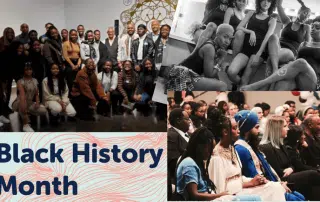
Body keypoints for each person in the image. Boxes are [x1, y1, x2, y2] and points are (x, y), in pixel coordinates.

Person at [207, 110, 282, 201]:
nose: (239, 131)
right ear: (225, 132)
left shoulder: (232, 149)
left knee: (275, 187)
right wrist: (249, 183)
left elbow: (238, 177)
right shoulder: (216, 157)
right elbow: (220, 190)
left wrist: (254, 180)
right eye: (235, 128)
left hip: (240, 190)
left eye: (238, 127)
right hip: (230, 197)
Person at [234, 111, 306, 201]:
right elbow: (255, 177)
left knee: (299, 196)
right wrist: (278, 185)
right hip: (260, 189)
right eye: (256, 127)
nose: (259, 130)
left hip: (271, 184)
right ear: (247, 129)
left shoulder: (250, 145)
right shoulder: (242, 149)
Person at [176, 126, 260, 201]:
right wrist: (220, 195)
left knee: (256, 197)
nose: (210, 152)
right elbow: (194, 195)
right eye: (209, 148)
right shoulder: (189, 164)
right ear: (199, 146)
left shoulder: (198, 162)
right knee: (254, 199)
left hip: (212, 197)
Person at [240, 17, 320, 91]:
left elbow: (300, 62)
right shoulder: (303, 44)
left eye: (317, 27)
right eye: (312, 26)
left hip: (312, 79)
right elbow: (297, 59)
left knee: (301, 62)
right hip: (298, 75)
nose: (313, 29)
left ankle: (259, 84)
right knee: (281, 83)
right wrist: (290, 64)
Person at [259, 116, 320, 200]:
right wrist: (291, 168)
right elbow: (276, 172)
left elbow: (292, 164)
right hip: (281, 180)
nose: (287, 129)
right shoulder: (266, 148)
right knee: (313, 174)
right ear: (276, 129)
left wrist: (291, 168)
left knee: (314, 181)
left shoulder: (281, 145)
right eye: (284, 126)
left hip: (290, 175)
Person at [165, 24, 233, 91]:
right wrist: (221, 59)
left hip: (185, 74)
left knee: (219, 84)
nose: (227, 42)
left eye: (230, 39)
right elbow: (209, 75)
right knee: (222, 86)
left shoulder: (213, 47)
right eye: (225, 37)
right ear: (217, 34)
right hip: (182, 77)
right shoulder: (210, 48)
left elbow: (212, 74)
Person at [228, 0, 277, 87]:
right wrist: (251, 32)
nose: (266, 3)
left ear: (271, 4)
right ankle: (238, 85)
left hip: (259, 51)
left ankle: (240, 88)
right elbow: (239, 27)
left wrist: (258, 54)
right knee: (231, 72)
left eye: (269, 1)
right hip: (246, 49)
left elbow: (266, 39)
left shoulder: (272, 20)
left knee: (244, 81)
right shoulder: (251, 13)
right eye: (263, 0)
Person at [266, 0, 311, 78]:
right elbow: (278, 5)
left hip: (290, 51)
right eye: (305, 13)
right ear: (299, 12)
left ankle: (274, 70)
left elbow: (307, 46)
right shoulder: (287, 22)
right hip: (277, 46)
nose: (306, 16)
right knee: (273, 36)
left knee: (272, 58)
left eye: (308, 15)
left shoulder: (306, 27)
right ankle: (275, 72)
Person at [12, 63, 47, 132]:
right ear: (24, 71)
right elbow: (22, 95)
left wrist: (37, 102)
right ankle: (25, 124)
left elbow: (37, 94)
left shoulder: (35, 80)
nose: (28, 71)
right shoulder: (20, 81)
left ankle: (26, 115)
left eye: (30, 69)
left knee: (43, 110)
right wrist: (24, 106)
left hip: (30, 102)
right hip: (19, 101)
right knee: (22, 105)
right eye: (26, 70)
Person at [168, 108, 190, 189]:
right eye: (187, 119)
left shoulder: (185, 134)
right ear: (178, 121)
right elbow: (173, 162)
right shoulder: (171, 136)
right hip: (180, 180)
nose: (190, 122)